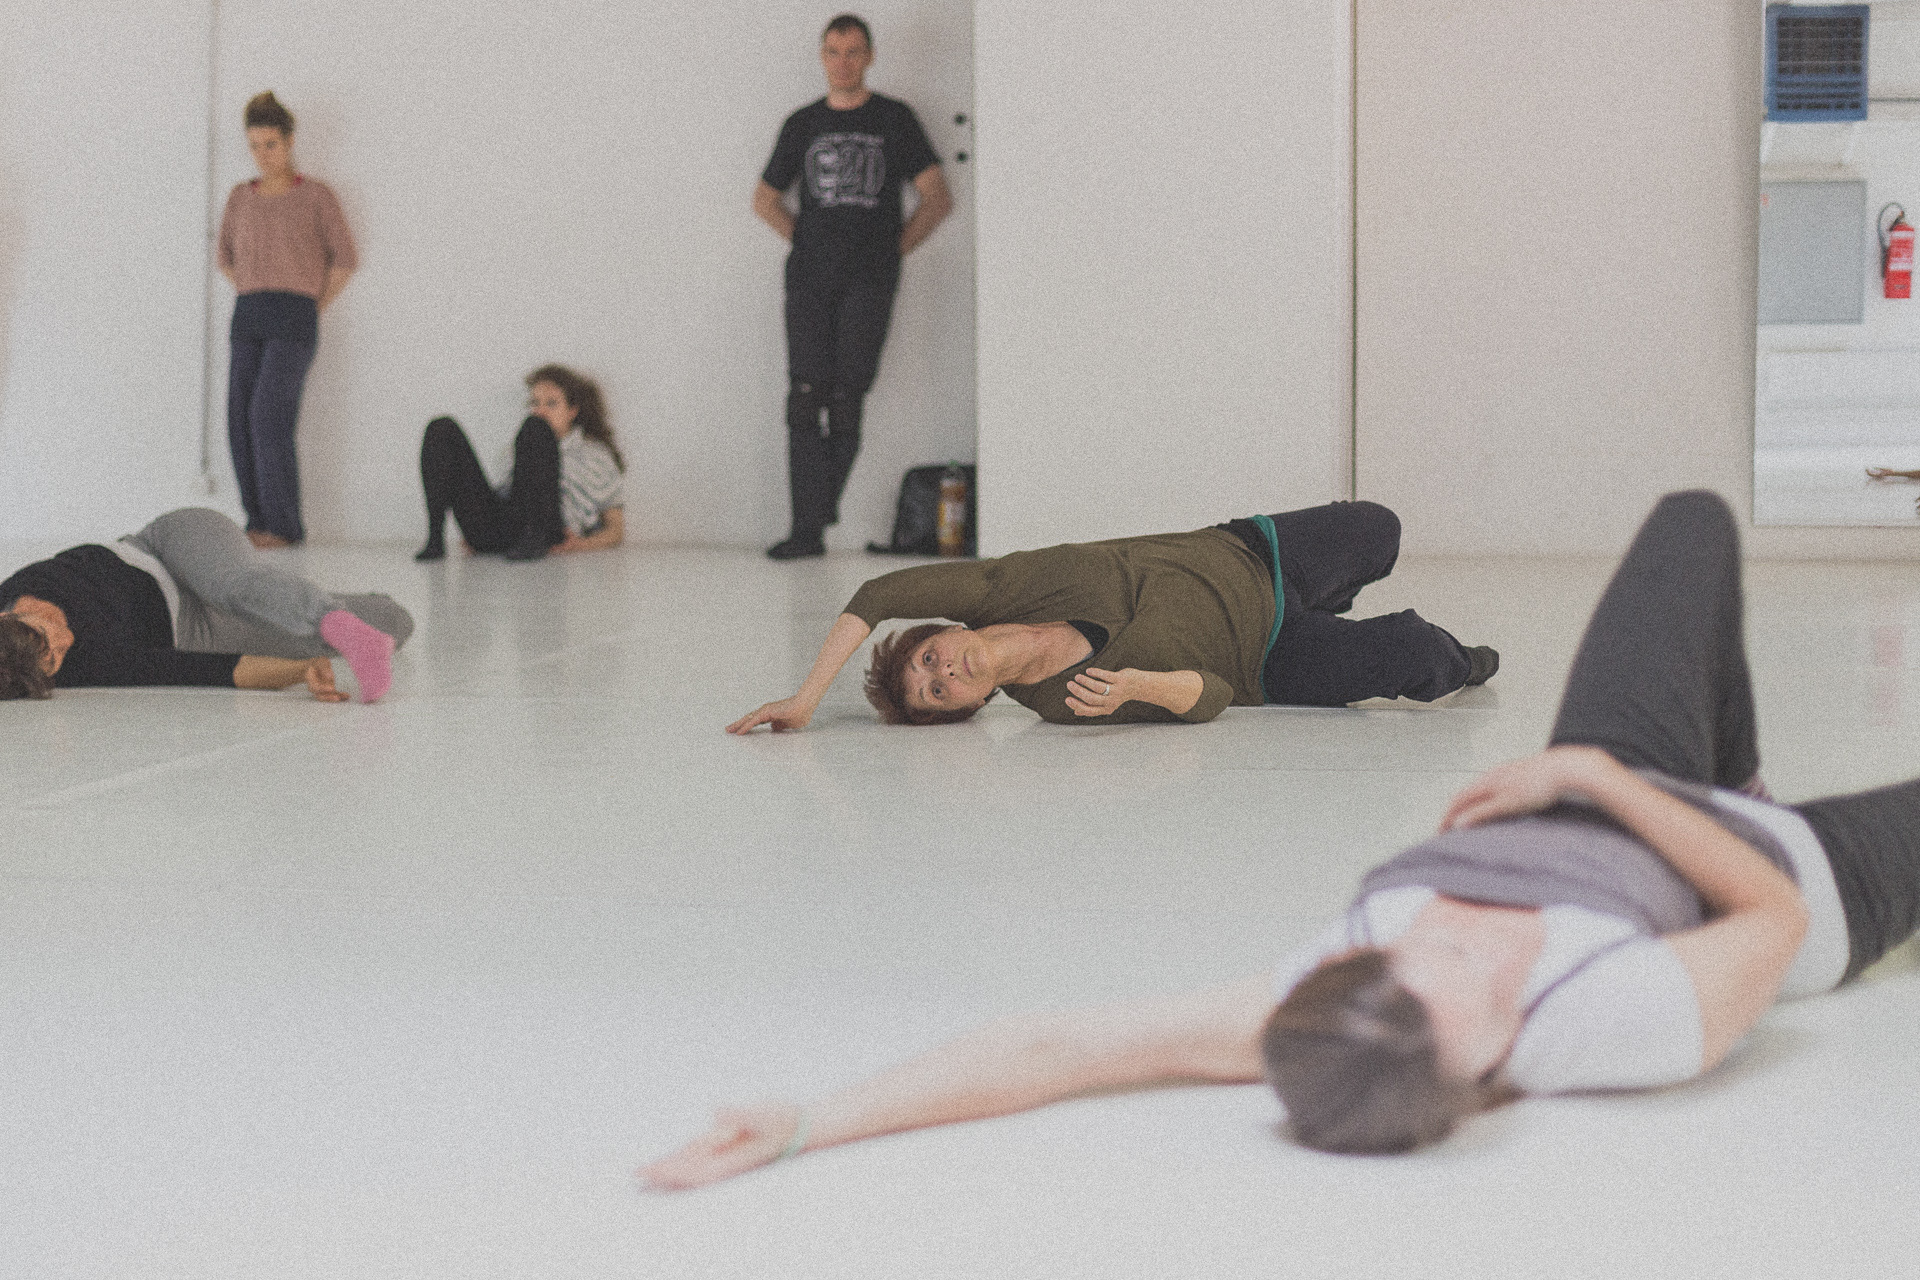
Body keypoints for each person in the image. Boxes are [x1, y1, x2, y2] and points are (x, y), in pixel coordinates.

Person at [647, 491, 1920, 1185]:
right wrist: (1601, 781)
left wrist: (806, 1121)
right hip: (1753, 853)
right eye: (1480, 999)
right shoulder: (1607, 1024)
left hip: (1616, 769)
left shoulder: (1316, 1004)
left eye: (1423, 959)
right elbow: (1771, 917)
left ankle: (1725, 765)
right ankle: (1736, 788)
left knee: (1691, 522)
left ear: (1347, 969)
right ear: (1488, 1075)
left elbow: (1052, 1047)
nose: (1474, 953)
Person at [727, 500, 1497, 733]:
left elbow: (876, 595)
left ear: (948, 629)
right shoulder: (1064, 701)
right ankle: (1469, 662)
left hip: (1245, 553)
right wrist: (1142, 687)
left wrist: (806, 699)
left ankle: (1326, 597)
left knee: (1380, 528)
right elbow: (1212, 697)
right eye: (936, 693)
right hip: (1270, 655)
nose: (944, 672)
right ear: (971, 705)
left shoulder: (999, 585)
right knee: (1417, 653)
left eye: (929, 658)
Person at [755, 13, 954, 560]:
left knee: (847, 395)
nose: (842, 62)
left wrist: (891, 251)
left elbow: (936, 197)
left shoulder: (894, 119)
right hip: (809, 281)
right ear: (822, 57)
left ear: (869, 56)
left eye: (853, 51)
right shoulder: (802, 124)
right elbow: (764, 199)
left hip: (870, 280)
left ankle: (815, 517)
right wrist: (808, 243)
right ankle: (806, 528)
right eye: (833, 51)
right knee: (804, 395)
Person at [0, 508, 410, 703]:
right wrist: (299, 671)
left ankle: (335, 622)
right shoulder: (77, 667)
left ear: (8, 614)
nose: (65, 643)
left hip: (165, 549)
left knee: (232, 584)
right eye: (55, 659)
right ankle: (339, 616)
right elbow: (187, 670)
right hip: (193, 629)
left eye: (47, 636)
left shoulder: (10, 595)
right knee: (391, 621)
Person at [218, 90, 358, 549]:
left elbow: (345, 259)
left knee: (268, 416)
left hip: (294, 315)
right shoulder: (240, 197)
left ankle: (284, 526)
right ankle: (256, 522)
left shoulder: (316, 196)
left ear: (289, 141)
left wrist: (312, 304)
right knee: (239, 418)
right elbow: (226, 258)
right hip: (248, 313)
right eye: (254, 146)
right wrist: (253, 284)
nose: (262, 154)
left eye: (271, 144)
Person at [414, 365, 627, 563]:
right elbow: (510, 495)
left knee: (536, 428)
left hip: (548, 531)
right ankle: (435, 539)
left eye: (551, 403)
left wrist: (580, 545)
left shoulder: (594, 455)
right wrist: (477, 518)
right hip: (506, 526)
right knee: (441, 428)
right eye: (534, 403)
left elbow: (616, 529)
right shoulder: (521, 445)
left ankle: (534, 536)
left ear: (572, 410)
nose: (540, 410)